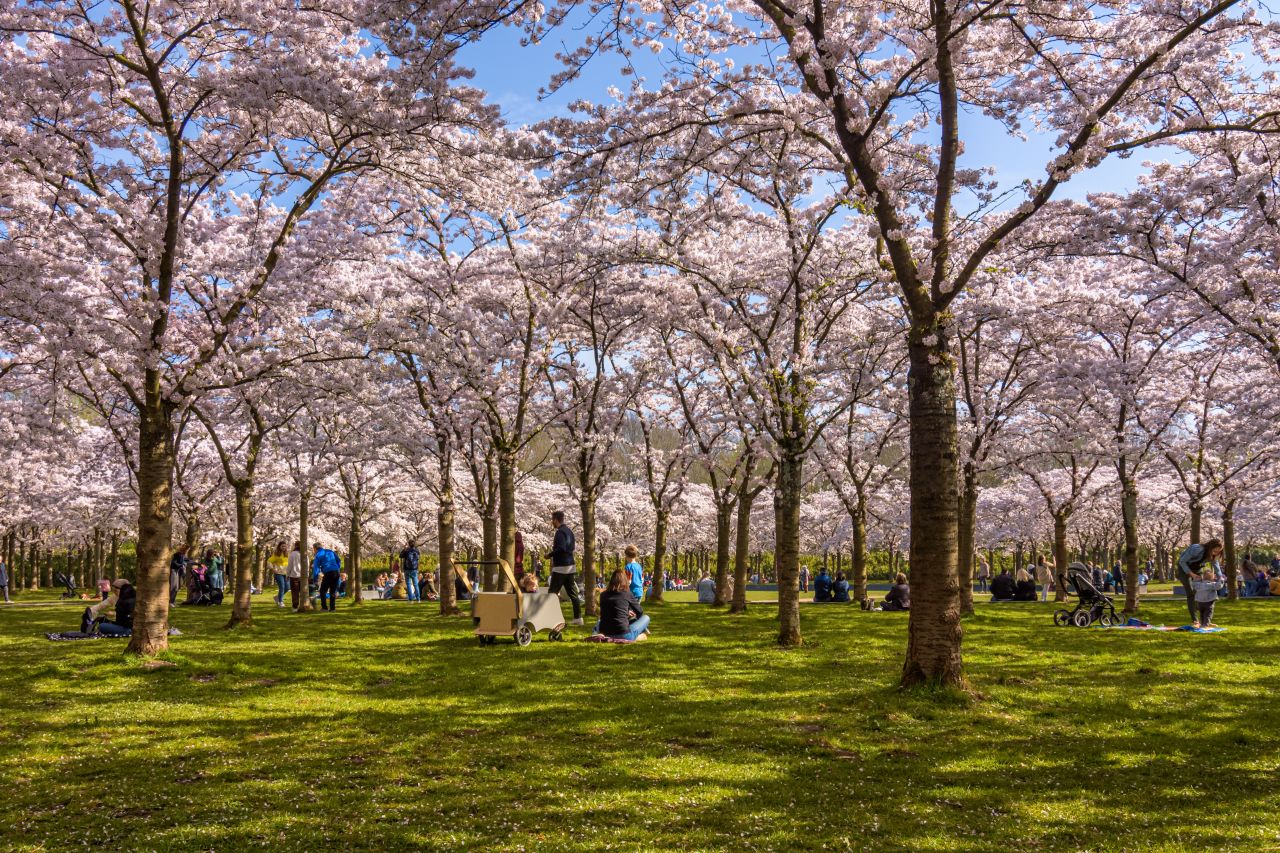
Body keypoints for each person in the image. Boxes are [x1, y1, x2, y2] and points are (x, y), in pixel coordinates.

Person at [548, 511, 583, 625]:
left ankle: (550, 618)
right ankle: (578, 618)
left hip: (560, 567)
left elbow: (561, 548)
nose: (552, 522)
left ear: (556, 520)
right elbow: (570, 547)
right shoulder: (569, 531)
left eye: (552, 520)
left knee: (552, 593)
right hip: (570, 565)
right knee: (573, 594)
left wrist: (550, 555)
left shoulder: (559, 532)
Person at [1177, 539, 1223, 625]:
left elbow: (1216, 565)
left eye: (1217, 552)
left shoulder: (1213, 555)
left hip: (1197, 568)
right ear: (1210, 547)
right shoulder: (1197, 549)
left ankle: (1205, 620)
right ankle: (1195, 620)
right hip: (1184, 567)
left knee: (1200, 590)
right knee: (1190, 593)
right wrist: (1192, 575)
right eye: (1214, 551)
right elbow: (1182, 561)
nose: (1215, 553)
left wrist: (1221, 577)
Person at [596, 569, 650, 641]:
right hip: (623, 633)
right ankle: (639, 635)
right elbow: (639, 611)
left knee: (599, 621)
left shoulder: (603, 595)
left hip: (606, 633)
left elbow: (608, 610)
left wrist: (625, 612)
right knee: (646, 617)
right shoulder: (627, 593)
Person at [313, 542, 341, 611]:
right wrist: (337, 568)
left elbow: (316, 568)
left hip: (328, 572)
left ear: (315, 548)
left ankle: (324, 607)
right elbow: (338, 560)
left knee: (323, 590)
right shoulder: (330, 551)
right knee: (333, 591)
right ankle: (332, 608)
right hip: (336, 572)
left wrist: (315, 578)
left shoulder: (318, 555)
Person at [267, 542, 289, 607]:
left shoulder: (287, 554)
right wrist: (273, 569)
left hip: (286, 574)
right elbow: (269, 561)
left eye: (285, 546)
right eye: (282, 546)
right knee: (282, 587)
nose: (283, 547)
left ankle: (277, 597)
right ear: (279, 547)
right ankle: (280, 602)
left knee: (287, 588)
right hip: (278, 573)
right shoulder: (276, 554)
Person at [287, 541, 303, 610]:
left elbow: (290, 565)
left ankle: (295, 607)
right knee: (302, 591)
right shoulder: (305, 554)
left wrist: (287, 574)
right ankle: (303, 605)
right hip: (303, 575)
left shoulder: (292, 554)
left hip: (294, 575)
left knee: (295, 592)